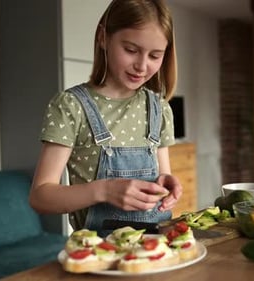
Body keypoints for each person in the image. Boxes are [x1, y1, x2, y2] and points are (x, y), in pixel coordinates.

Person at [29, 0, 183, 236]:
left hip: (157, 249)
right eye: (131, 50)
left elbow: (162, 177)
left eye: (154, 55)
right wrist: (104, 190)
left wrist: (167, 184)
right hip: (97, 254)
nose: (142, 66)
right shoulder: (71, 106)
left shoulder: (160, 108)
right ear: (103, 37)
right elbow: (40, 197)